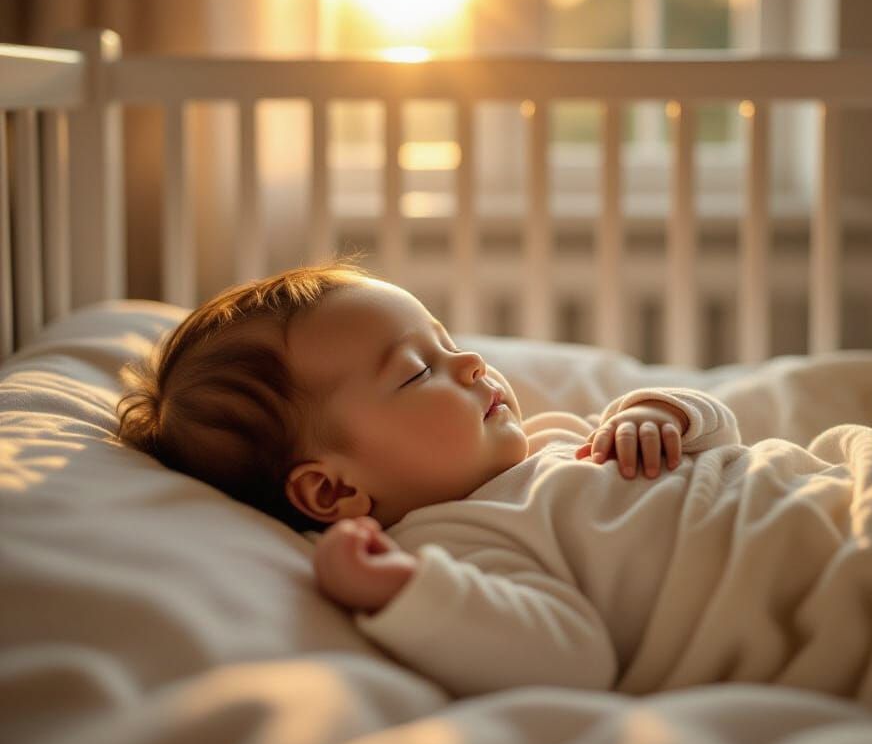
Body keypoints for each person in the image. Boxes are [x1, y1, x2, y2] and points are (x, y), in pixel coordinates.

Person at [118, 260, 742, 697]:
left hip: (814, 482)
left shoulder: (555, 434)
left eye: (447, 342)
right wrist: (406, 591)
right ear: (332, 491)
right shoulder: (456, 547)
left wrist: (663, 412)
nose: (471, 363)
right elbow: (573, 661)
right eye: (419, 372)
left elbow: (722, 441)